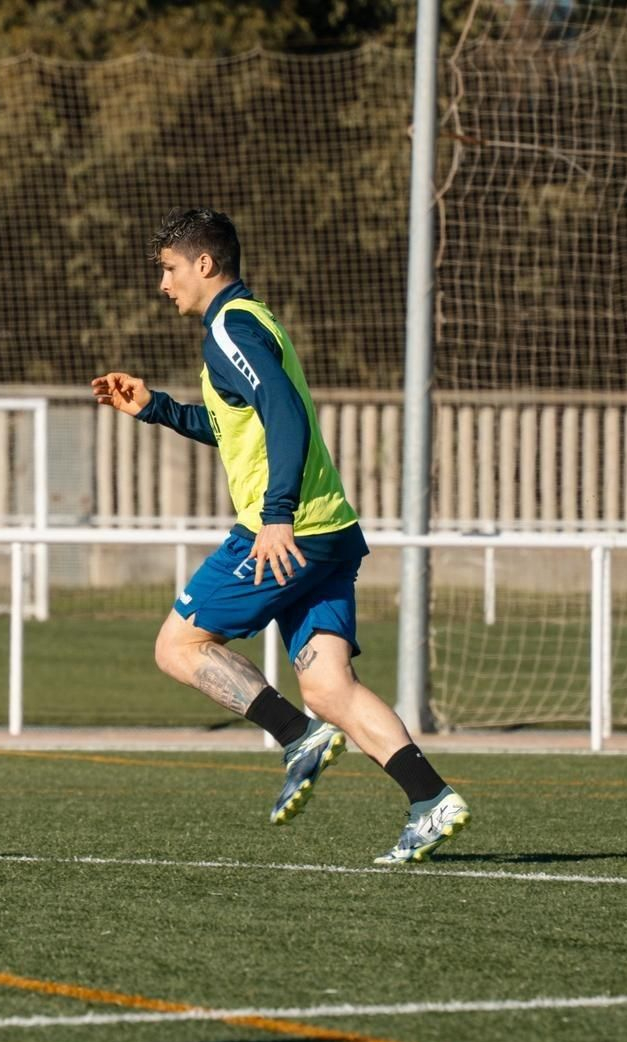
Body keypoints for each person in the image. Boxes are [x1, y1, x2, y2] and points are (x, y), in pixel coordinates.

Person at [92, 208, 469, 865]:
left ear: (204, 263)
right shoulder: (249, 320)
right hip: (331, 530)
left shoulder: (229, 328)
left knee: (177, 646)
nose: (163, 284)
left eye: (170, 269)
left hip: (290, 533)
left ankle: (297, 736)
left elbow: (285, 413)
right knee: (329, 687)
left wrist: (276, 515)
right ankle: (431, 799)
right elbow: (235, 423)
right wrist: (155, 408)